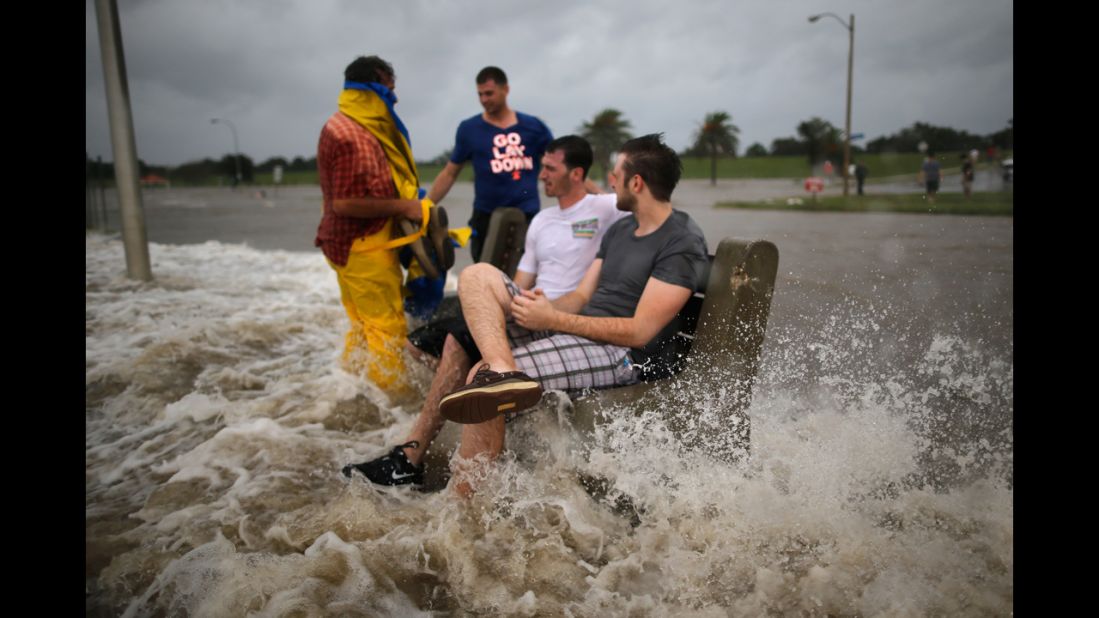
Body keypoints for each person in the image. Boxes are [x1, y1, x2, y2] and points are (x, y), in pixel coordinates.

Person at [346, 134, 709, 496]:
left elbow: (640, 332)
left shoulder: (680, 241)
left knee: (481, 379)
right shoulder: (621, 229)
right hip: (578, 332)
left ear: (636, 182)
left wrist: (554, 320)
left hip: (624, 356)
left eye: (615, 174)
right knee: (478, 276)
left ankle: (465, 510)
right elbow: (582, 295)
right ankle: (500, 372)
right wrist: (542, 308)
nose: (609, 183)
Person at [314, 55, 433, 394]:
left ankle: (351, 387)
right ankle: (393, 407)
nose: (393, 100)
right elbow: (346, 203)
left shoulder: (342, 124)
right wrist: (405, 205)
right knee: (386, 328)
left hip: (342, 245)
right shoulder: (355, 137)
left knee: (363, 325)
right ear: (377, 86)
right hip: (364, 246)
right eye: (390, 91)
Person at [426, 66, 554, 262]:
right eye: (480, 94)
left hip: (527, 216)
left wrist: (598, 196)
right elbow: (450, 173)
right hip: (486, 218)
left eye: (489, 93)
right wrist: (425, 207)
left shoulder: (533, 127)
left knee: (526, 276)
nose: (484, 99)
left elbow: (562, 165)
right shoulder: (469, 129)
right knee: (484, 276)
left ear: (506, 90)